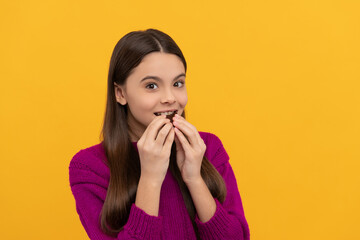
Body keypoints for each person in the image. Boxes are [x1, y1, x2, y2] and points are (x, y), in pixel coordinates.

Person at [69, 28, 250, 240]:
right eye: (152, 86)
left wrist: (194, 178)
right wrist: (150, 178)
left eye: (178, 83)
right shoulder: (90, 167)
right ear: (120, 93)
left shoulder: (208, 148)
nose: (169, 97)